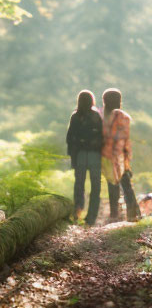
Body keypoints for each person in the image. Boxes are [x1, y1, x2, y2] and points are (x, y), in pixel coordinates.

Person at [101, 88, 140, 222]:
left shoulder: (102, 116)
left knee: (112, 186)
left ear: (105, 101)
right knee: (127, 185)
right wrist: (128, 156)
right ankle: (133, 214)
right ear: (119, 101)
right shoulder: (123, 116)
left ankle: (114, 216)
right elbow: (125, 138)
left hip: (106, 156)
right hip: (120, 156)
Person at [66, 90, 102, 225]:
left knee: (79, 185)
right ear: (92, 100)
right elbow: (101, 137)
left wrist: (72, 157)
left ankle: (77, 212)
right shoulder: (96, 116)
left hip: (80, 155)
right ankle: (91, 217)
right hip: (94, 155)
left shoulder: (75, 116)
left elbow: (69, 138)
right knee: (95, 186)